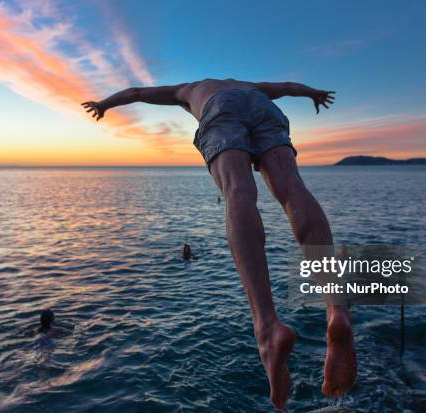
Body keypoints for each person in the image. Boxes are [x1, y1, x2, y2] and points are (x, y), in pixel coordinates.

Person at [82, 78, 355, 410]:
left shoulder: (189, 90)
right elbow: (286, 87)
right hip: (264, 107)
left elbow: (137, 94)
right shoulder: (253, 86)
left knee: (238, 193)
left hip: (220, 111)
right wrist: (314, 92)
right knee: (292, 188)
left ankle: (268, 326)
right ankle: (336, 309)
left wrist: (104, 104)